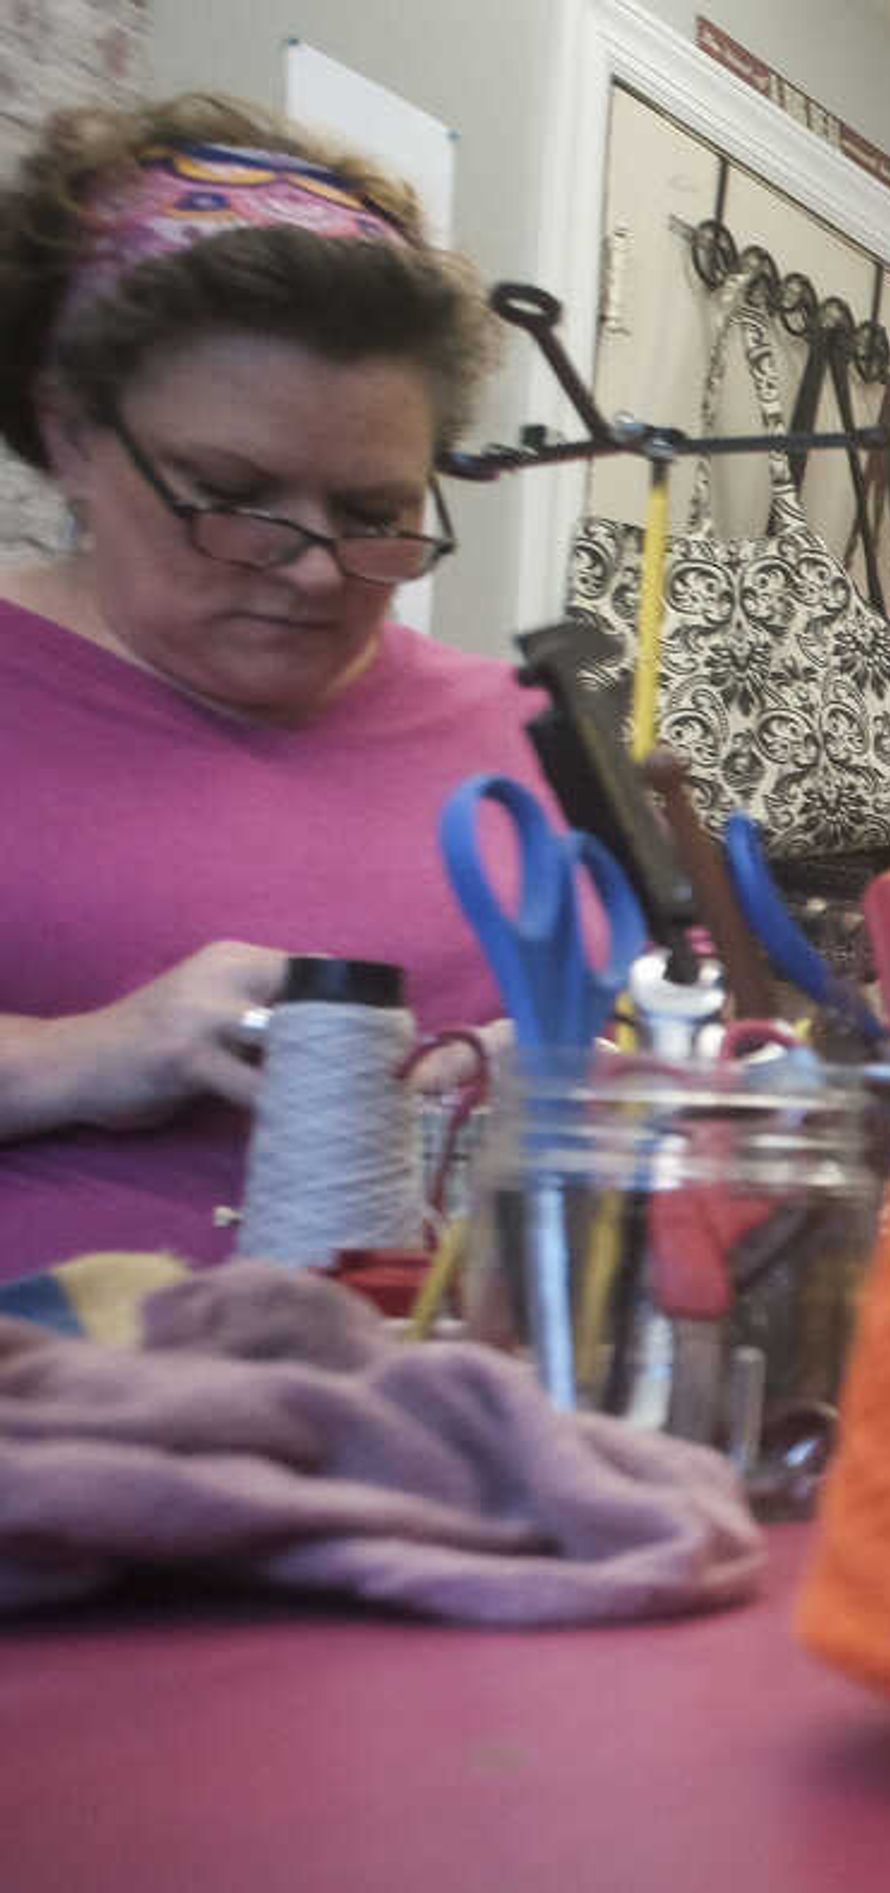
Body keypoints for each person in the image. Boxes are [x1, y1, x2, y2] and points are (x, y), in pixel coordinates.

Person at [0, 94, 531, 1272]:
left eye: (374, 513)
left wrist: (567, 1083)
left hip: (452, 1424)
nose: (310, 567)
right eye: (233, 493)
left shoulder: (525, 735)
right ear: (74, 433)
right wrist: (78, 1056)